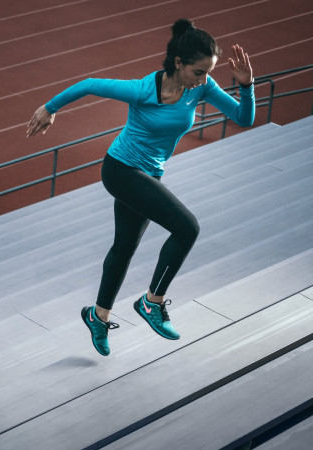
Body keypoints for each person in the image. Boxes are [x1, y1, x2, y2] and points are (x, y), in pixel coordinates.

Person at [26, 19, 255, 356]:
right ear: (179, 64)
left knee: (125, 247)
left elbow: (244, 119)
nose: (204, 79)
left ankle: (98, 316)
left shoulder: (201, 88)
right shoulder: (142, 90)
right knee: (187, 228)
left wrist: (247, 86)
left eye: (209, 72)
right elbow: (89, 84)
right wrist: (49, 108)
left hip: (149, 175)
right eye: (198, 72)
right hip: (120, 170)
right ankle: (152, 302)